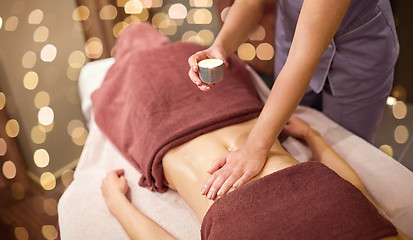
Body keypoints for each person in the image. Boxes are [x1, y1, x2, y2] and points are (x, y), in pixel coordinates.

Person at [187, 0, 399, 201]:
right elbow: (250, 3)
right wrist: (221, 46)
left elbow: (303, 57)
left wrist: (254, 149)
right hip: (294, 36)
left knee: (343, 149)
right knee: (292, 132)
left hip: (357, 49)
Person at [101, 116, 409, 240]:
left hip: (165, 138)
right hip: (244, 114)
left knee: (131, 52)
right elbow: (357, 195)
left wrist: (117, 203)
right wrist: (312, 137)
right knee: (195, 54)